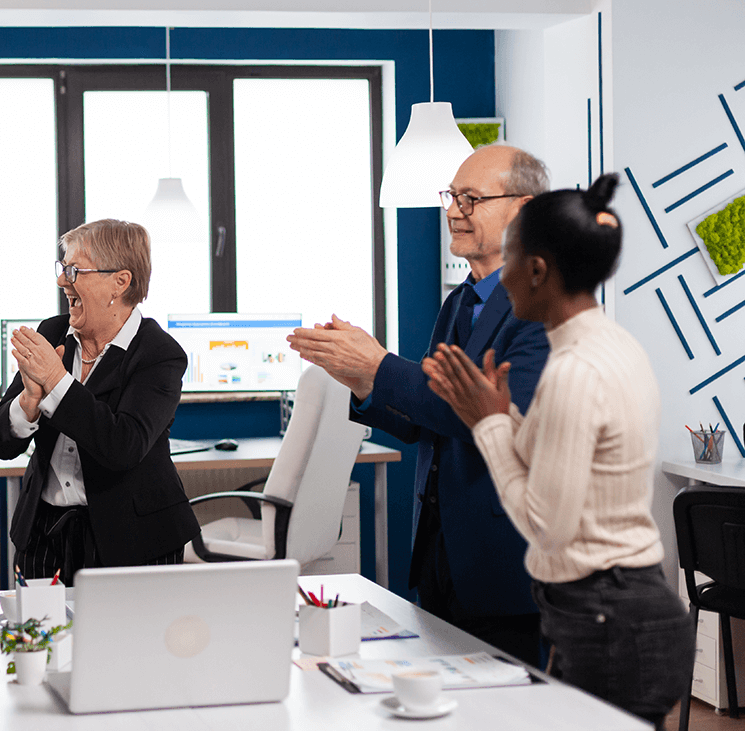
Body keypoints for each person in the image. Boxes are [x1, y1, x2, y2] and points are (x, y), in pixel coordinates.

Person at [422, 173, 694, 728]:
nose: (503, 282)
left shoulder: (575, 371)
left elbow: (548, 524)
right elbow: (559, 454)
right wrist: (508, 416)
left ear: (539, 270)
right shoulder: (602, 344)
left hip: (609, 617)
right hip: (610, 610)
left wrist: (490, 425)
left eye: (510, 264)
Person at [287, 145, 551, 666]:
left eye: (472, 199)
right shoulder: (460, 300)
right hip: (440, 554)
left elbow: (482, 416)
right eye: (453, 197)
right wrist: (360, 382)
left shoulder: (542, 305)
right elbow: (424, 423)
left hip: (503, 559)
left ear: (522, 210)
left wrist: (380, 364)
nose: (454, 211)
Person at [0, 219, 200, 585]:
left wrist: (55, 381)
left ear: (120, 281)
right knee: (41, 642)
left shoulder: (160, 354)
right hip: (43, 537)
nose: (62, 280)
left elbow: (123, 446)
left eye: (74, 270)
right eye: (63, 268)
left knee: (128, 643)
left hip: (132, 543)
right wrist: (28, 403)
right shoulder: (50, 333)